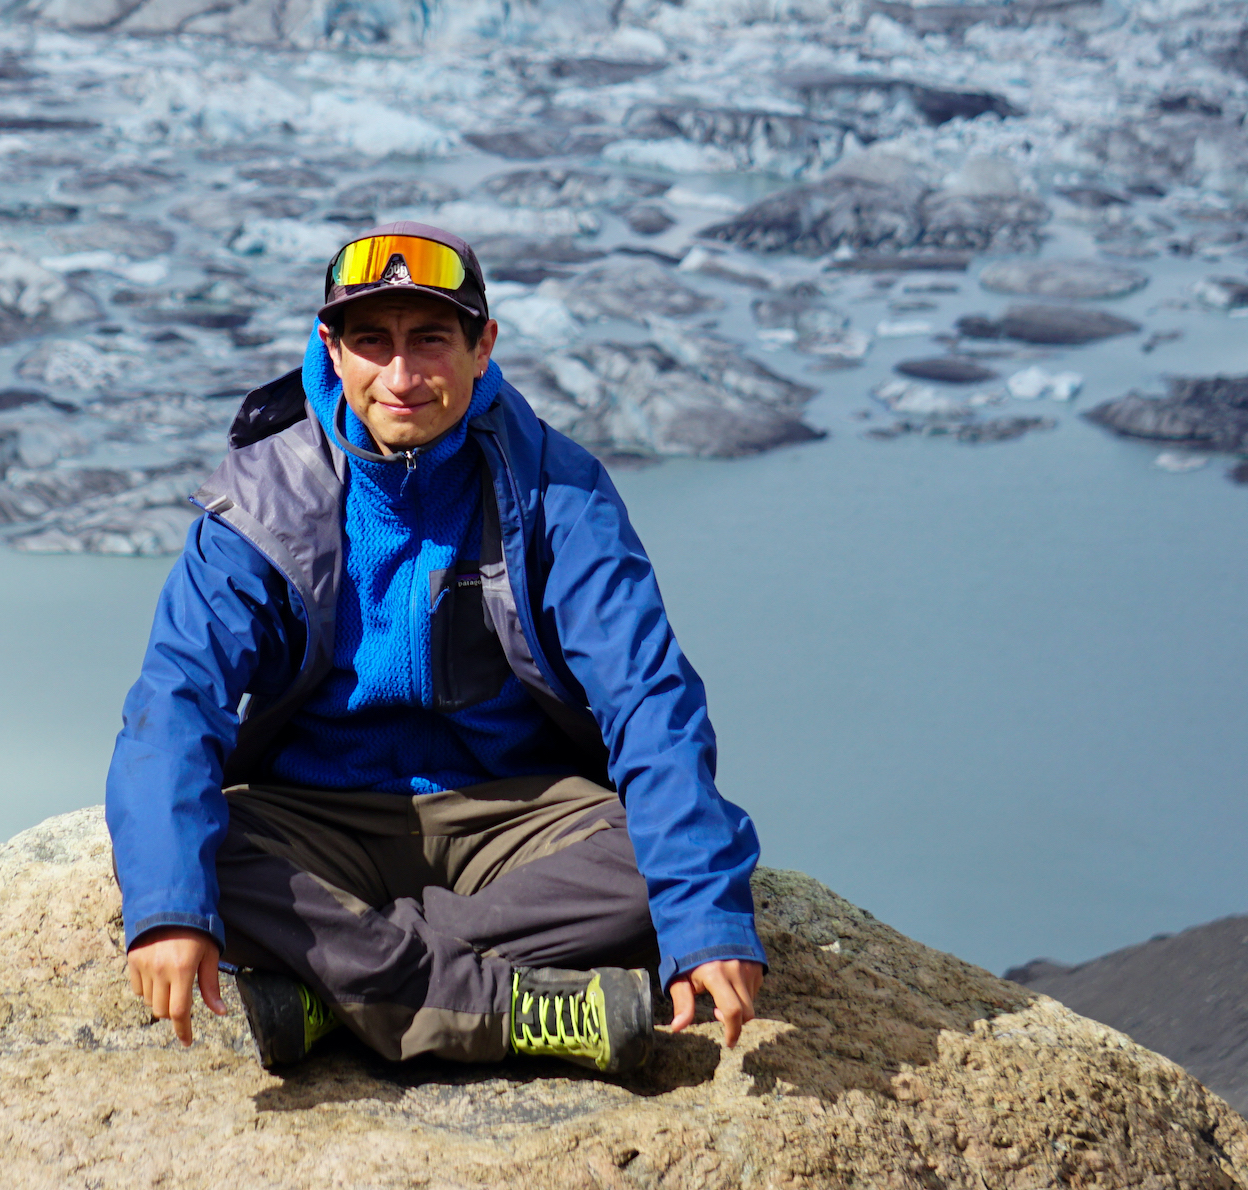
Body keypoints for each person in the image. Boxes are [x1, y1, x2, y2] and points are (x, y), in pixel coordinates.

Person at [105, 221, 765, 1073]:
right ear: (331, 350)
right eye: (371, 343)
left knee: (660, 869)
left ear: (482, 347)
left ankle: (338, 992)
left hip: (513, 816)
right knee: (186, 864)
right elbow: (176, 701)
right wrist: (170, 913)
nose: (401, 376)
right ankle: (516, 1009)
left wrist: (703, 919)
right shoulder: (266, 500)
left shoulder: (553, 490)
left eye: (429, 341)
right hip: (317, 817)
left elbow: (647, 695)